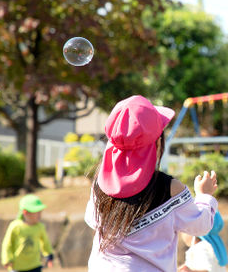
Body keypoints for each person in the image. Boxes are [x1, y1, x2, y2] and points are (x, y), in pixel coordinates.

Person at [85, 95, 218, 272]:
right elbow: (200, 226)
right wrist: (204, 196)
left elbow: (92, 220)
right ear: (157, 143)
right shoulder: (170, 188)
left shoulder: (100, 184)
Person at [1, 194, 54, 272]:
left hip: (35, 265)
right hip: (17, 266)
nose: (40, 215)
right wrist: (7, 259)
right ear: (25, 212)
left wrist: (49, 255)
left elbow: (45, 242)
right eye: (37, 212)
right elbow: (7, 244)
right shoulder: (15, 226)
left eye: (40, 212)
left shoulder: (40, 227)